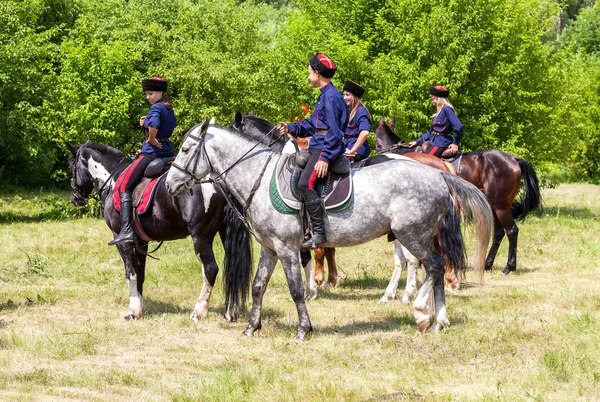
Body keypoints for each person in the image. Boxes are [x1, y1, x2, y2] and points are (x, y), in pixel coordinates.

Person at [276, 53, 348, 249]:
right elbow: (312, 125)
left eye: (309, 73)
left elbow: (334, 132)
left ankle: (319, 233)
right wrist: (290, 127)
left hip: (325, 148)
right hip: (317, 145)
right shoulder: (324, 95)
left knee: (304, 183)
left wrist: (325, 158)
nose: (308, 77)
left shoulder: (331, 98)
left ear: (317, 73)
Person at [108, 77, 176, 245]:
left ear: (160, 93)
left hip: (151, 153)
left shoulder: (155, 108)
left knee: (124, 186)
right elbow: (157, 122)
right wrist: (145, 123)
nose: (148, 97)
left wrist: (151, 138)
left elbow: (154, 123)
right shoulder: (168, 108)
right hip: (167, 152)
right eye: (146, 94)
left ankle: (126, 231)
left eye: (151, 93)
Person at [408, 86, 463, 158]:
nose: (433, 101)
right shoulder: (439, 112)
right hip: (434, 142)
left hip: (442, 143)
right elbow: (432, 132)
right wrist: (417, 141)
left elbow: (459, 126)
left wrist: (455, 143)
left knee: (425, 160)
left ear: (439, 98)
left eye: (433, 99)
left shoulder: (446, 109)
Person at [342, 81, 371, 163]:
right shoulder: (349, 111)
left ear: (355, 96)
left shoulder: (361, 111)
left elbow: (365, 132)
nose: (344, 97)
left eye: (347, 95)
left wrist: (352, 151)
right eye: (344, 95)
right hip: (346, 146)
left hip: (357, 151)